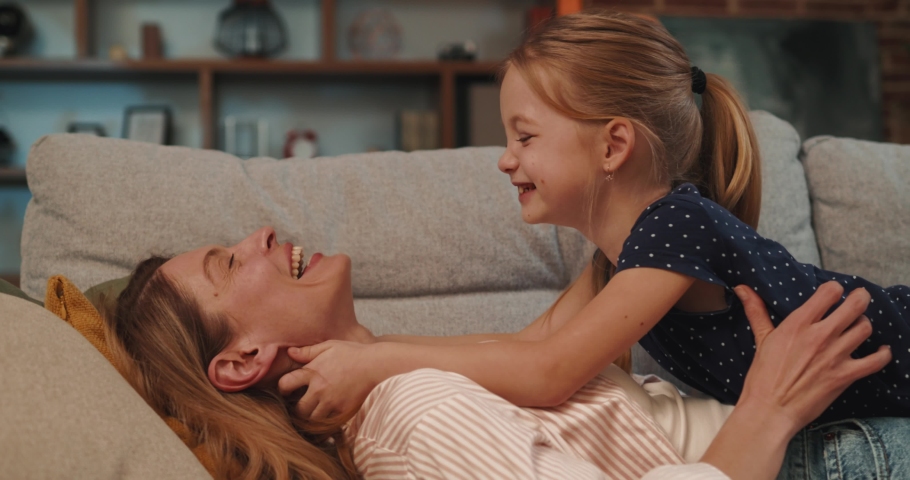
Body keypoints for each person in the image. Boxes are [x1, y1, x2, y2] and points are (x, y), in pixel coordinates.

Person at [286, 10, 909, 426]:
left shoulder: (675, 227)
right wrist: (374, 343)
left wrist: (375, 364)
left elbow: (547, 373)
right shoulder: (623, 254)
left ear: (614, 146)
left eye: (524, 136)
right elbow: (526, 344)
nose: (505, 159)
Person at [108, 226, 895, 479]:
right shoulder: (419, 416)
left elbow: (552, 350)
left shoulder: (407, 376)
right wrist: (772, 405)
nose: (261, 236)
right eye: (228, 265)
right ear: (243, 361)